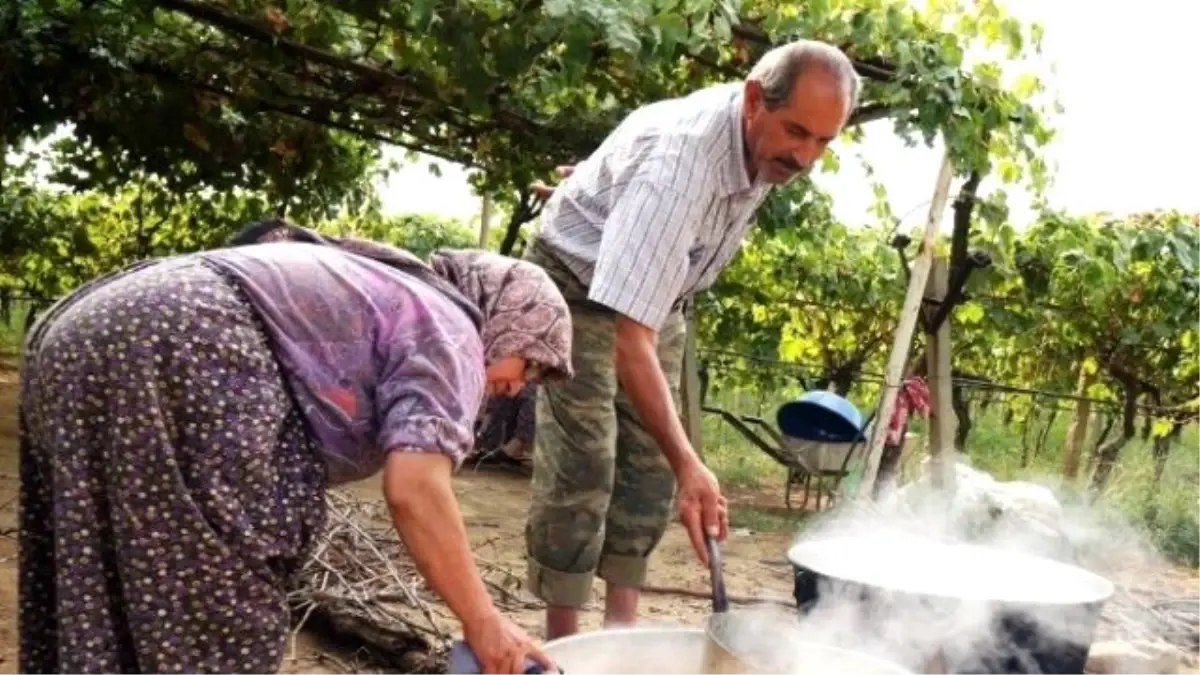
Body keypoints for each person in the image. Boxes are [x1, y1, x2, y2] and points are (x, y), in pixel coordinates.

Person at [18, 220, 573, 675]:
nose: (519, 386)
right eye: (530, 361)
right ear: (510, 318)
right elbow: (415, 488)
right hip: (182, 344)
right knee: (221, 606)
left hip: (78, 328)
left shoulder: (386, 285)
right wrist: (483, 620)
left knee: (101, 574)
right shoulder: (450, 329)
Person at [522, 39, 860, 638]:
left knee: (650, 462)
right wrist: (693, 466)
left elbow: (648, 307)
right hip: (573, 285)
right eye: (797, 133)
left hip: (657, 295)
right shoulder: (681, 163)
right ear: (755, 99)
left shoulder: (764, 146)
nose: (806, 156)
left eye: (823, 142)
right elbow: (631, 341)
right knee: (586, 462)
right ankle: (568, 646)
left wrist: (677, 462)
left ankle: (623, 637)